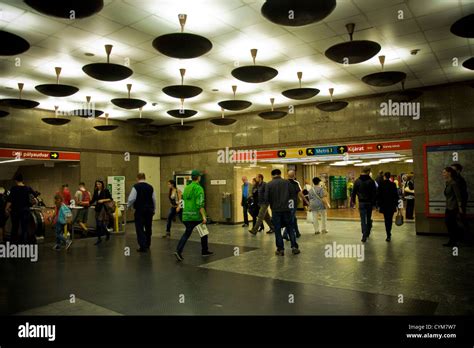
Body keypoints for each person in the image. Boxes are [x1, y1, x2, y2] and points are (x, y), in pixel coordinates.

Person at [174, 170, 213, 261]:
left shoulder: (187, 187)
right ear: (199, 178)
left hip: (186, 215)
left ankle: (178, 250)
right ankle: (204, 250)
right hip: (196, 216)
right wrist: (203, 216)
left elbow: (182, 198)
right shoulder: (199, 188)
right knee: (203, 232)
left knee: (187, 233)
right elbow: (200, 204)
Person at [264, 169, 300, 256]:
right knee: (290, 227)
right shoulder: (287, 183)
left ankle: (280, 250)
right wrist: (291, 207)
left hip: (276, 211)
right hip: (287, 210)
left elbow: (266, 198)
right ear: (280, 174)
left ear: (272, 175)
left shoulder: (269, 184)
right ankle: (294, 247)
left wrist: (272, 204)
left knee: (277, 229)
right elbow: (292, 196)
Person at [127, 173, 156, 252]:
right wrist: (154, 209)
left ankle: (142, 246)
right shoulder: (150, 187)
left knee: (139, 228)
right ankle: (148, 244)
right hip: (149, 210)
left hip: (140, 210)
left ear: (137, 178)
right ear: (145, 178)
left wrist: (128, 206)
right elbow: (154, 199)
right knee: (148, 227)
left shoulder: (136, 187)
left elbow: (131, 199)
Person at [4, 173, 36, 244]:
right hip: (25, 210)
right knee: (25, 228)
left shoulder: (14, 189)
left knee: (15, 227)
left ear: (15, 180)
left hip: (15, 211)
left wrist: (6, 209)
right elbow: (34, 199)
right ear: (23, 180)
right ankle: (25, 243)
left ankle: (13, 243)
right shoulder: (28, 188)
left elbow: (10, 200)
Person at [351, 167, 377, 243]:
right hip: (369, 203)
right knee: (368, 218)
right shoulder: (371, 181)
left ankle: (364, 235)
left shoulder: (357, 181)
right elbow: (374, 193)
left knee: (363, 219)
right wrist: (374, 204)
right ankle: (367, 232)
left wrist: (353, 201)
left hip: (361, 203)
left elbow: (354, 192)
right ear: (368, 172)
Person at [283, 170, 309, 240]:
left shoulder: (284, 183)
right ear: (294, 175)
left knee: (293, 218)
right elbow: (300, 193)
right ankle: (285, 233)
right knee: (291, 218)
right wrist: (306, 201)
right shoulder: (295, 183)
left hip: (286, 203)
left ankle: (297, 233)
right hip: (293, 203)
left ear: (287, 175)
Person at [442, 167, 463, 247]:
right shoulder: (447, 183)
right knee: (448, 224)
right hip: (448, 206)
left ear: (449, 173)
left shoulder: (453, 183)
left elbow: (458, 196)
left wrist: (460, 207)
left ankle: (455, 241)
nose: (443, 174)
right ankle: (452, 240)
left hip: (453, 207)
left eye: (444, 172)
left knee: (452, 224)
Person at [376, 172, 399, 242]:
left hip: (384, 205)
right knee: (390, 219)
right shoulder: (393, 184)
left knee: (386, 219)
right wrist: (397, 205)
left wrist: (378, 205)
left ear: (384, 177)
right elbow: (396, 195)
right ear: (389, 177)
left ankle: (388, 234)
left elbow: (378, 196)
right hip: (391, 205)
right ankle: (389, 231)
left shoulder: (381, 185)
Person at [90, 180, 113, 245]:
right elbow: (93, 200)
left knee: (100, 223)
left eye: (99, 184)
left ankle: (102, 237)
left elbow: (110, 199)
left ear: (102, 184)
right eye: (97, 184)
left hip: (103, 209)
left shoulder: (105, 190)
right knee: (98, 224)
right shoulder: (96, 191)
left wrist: (103, 200)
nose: (98, 185)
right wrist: (87, 203)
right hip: (97, 208)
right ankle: (102, 237)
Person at [451, 163, 469, 240]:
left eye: (453, 170)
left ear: (458, 171)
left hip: (459, 204)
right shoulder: (454, 179)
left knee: (461, 221)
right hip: (456, 204)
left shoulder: (459, 180)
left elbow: (462, 194)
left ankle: (466, 238)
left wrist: (460, 205)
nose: (451, 171)